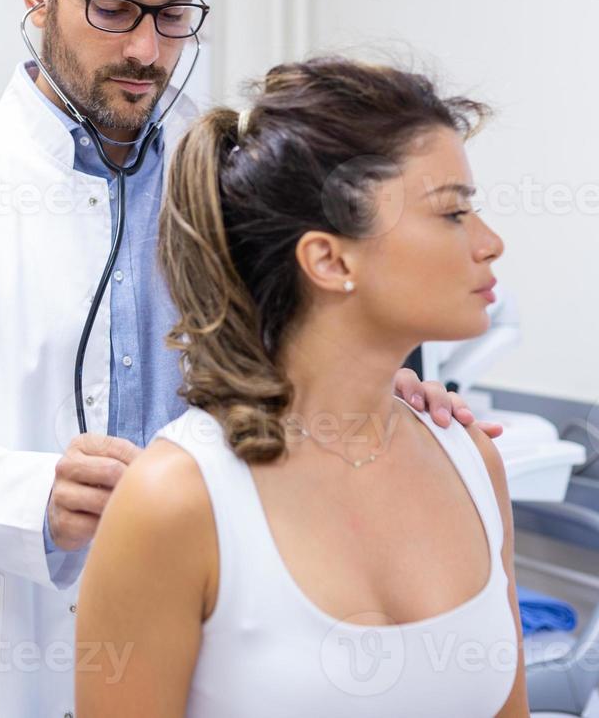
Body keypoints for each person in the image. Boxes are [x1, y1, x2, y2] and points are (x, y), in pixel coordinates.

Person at [0, 0, 500, 718]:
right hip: (15, 651)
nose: (147, 49)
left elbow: (295, 344)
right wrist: (35, 496)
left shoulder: (225, 170)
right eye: (112, 11)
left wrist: (375, 382)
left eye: (175, 14)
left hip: (228, 625)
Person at [75, 57, 531, 717]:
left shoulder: (471, 462)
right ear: (329, 259)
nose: (490, 244)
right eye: (453, 213)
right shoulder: (176, 502)